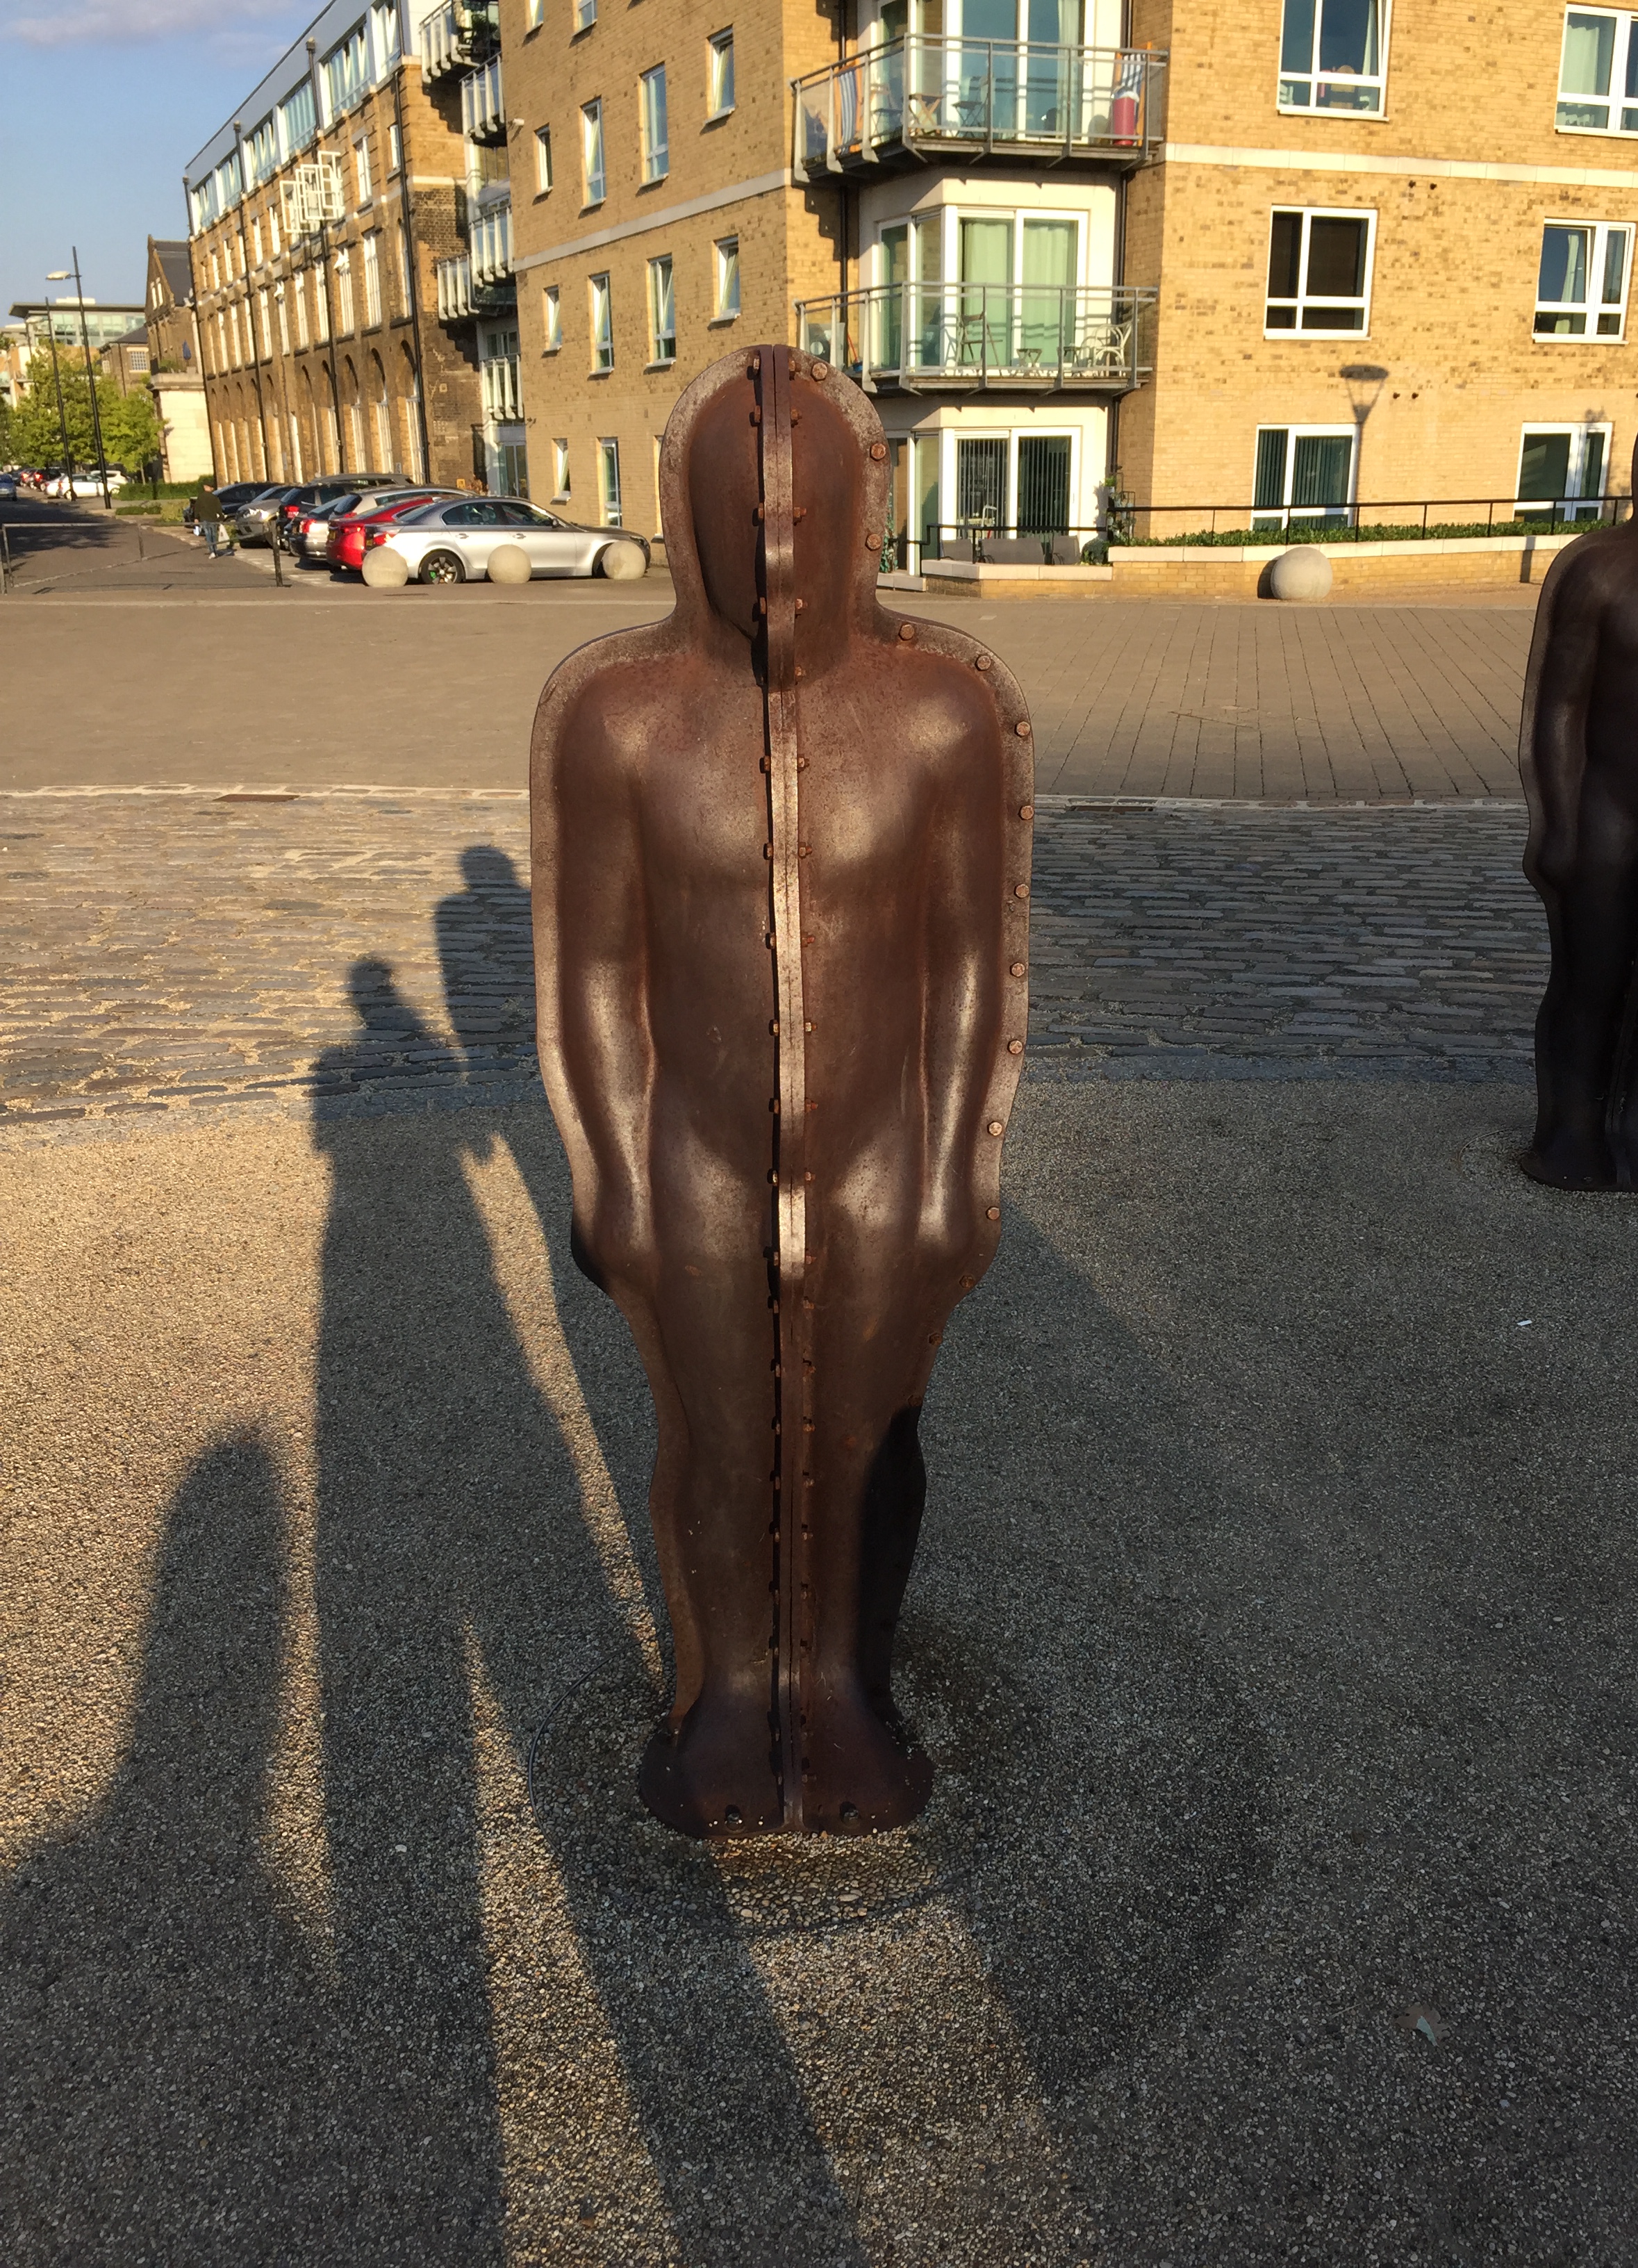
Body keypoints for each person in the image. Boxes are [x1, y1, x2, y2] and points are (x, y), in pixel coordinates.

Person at [531, 346, 1034, 1838]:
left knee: (876, 1424)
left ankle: (850, 1683)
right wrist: (612, 1174)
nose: (774, 563)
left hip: (885, 1159)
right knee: (713, 1435)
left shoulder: (944, 713)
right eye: (740, 532)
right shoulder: (618, 719)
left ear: (854, 516)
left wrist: (958, 1172)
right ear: (688, 528)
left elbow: (971, 980)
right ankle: (728, 1692)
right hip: (693, 1164)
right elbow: (593, 984)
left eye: (800, 523)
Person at [1521, 386, 1638, 1192]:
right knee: (1592, 975)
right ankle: (1571, 1131)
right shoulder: (1602, 572)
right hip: (1608, 812)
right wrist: (1556, 822)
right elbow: (1556, 709)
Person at [192, 479, 224, 557]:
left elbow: (197, 508)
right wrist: (221, 517)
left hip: (204, 519)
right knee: (214, 535)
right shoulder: (214, 498)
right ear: (211, 488)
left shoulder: (201, 497)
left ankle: (212, 551)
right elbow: (219, 509)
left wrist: (196, 518)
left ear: (205, 487)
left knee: (208, 535)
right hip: (213, 519)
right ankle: (215, 550)